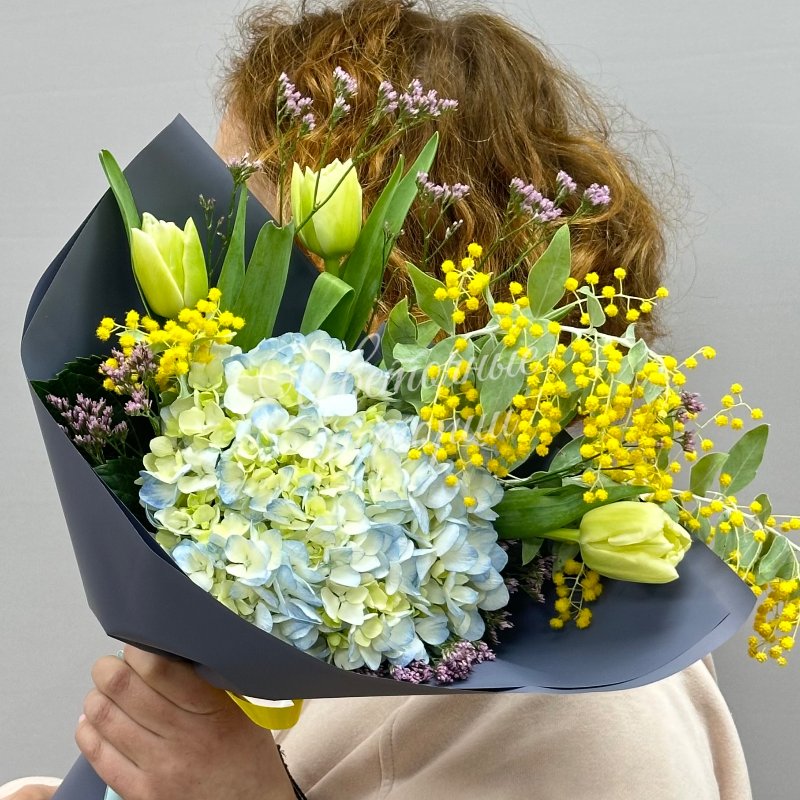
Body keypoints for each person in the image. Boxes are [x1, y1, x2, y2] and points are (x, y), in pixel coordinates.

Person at [2, 1, 753, 798]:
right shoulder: (323, 572)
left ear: (387, 259)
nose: (200, 237)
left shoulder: (594, 706)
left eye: (239, 209)